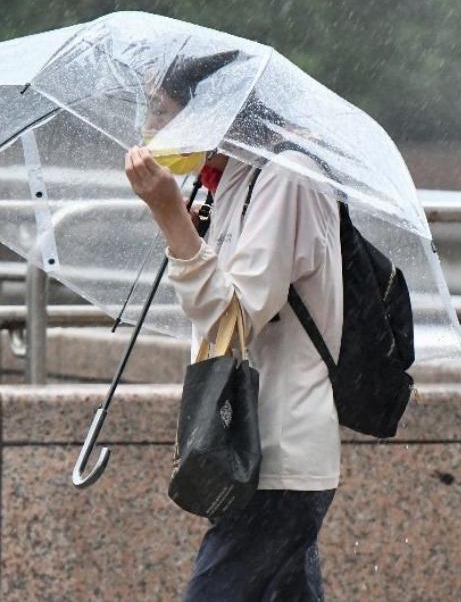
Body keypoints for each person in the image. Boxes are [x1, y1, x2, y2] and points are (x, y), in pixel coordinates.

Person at [126, 56, 342, 601]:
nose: (151, 128)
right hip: (255, 450)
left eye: (162, 110)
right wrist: (190, 226)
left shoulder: (287, 178)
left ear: (211, 112)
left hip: (275, 456)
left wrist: (170, 215)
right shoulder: (233, 178)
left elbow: (233, 320)